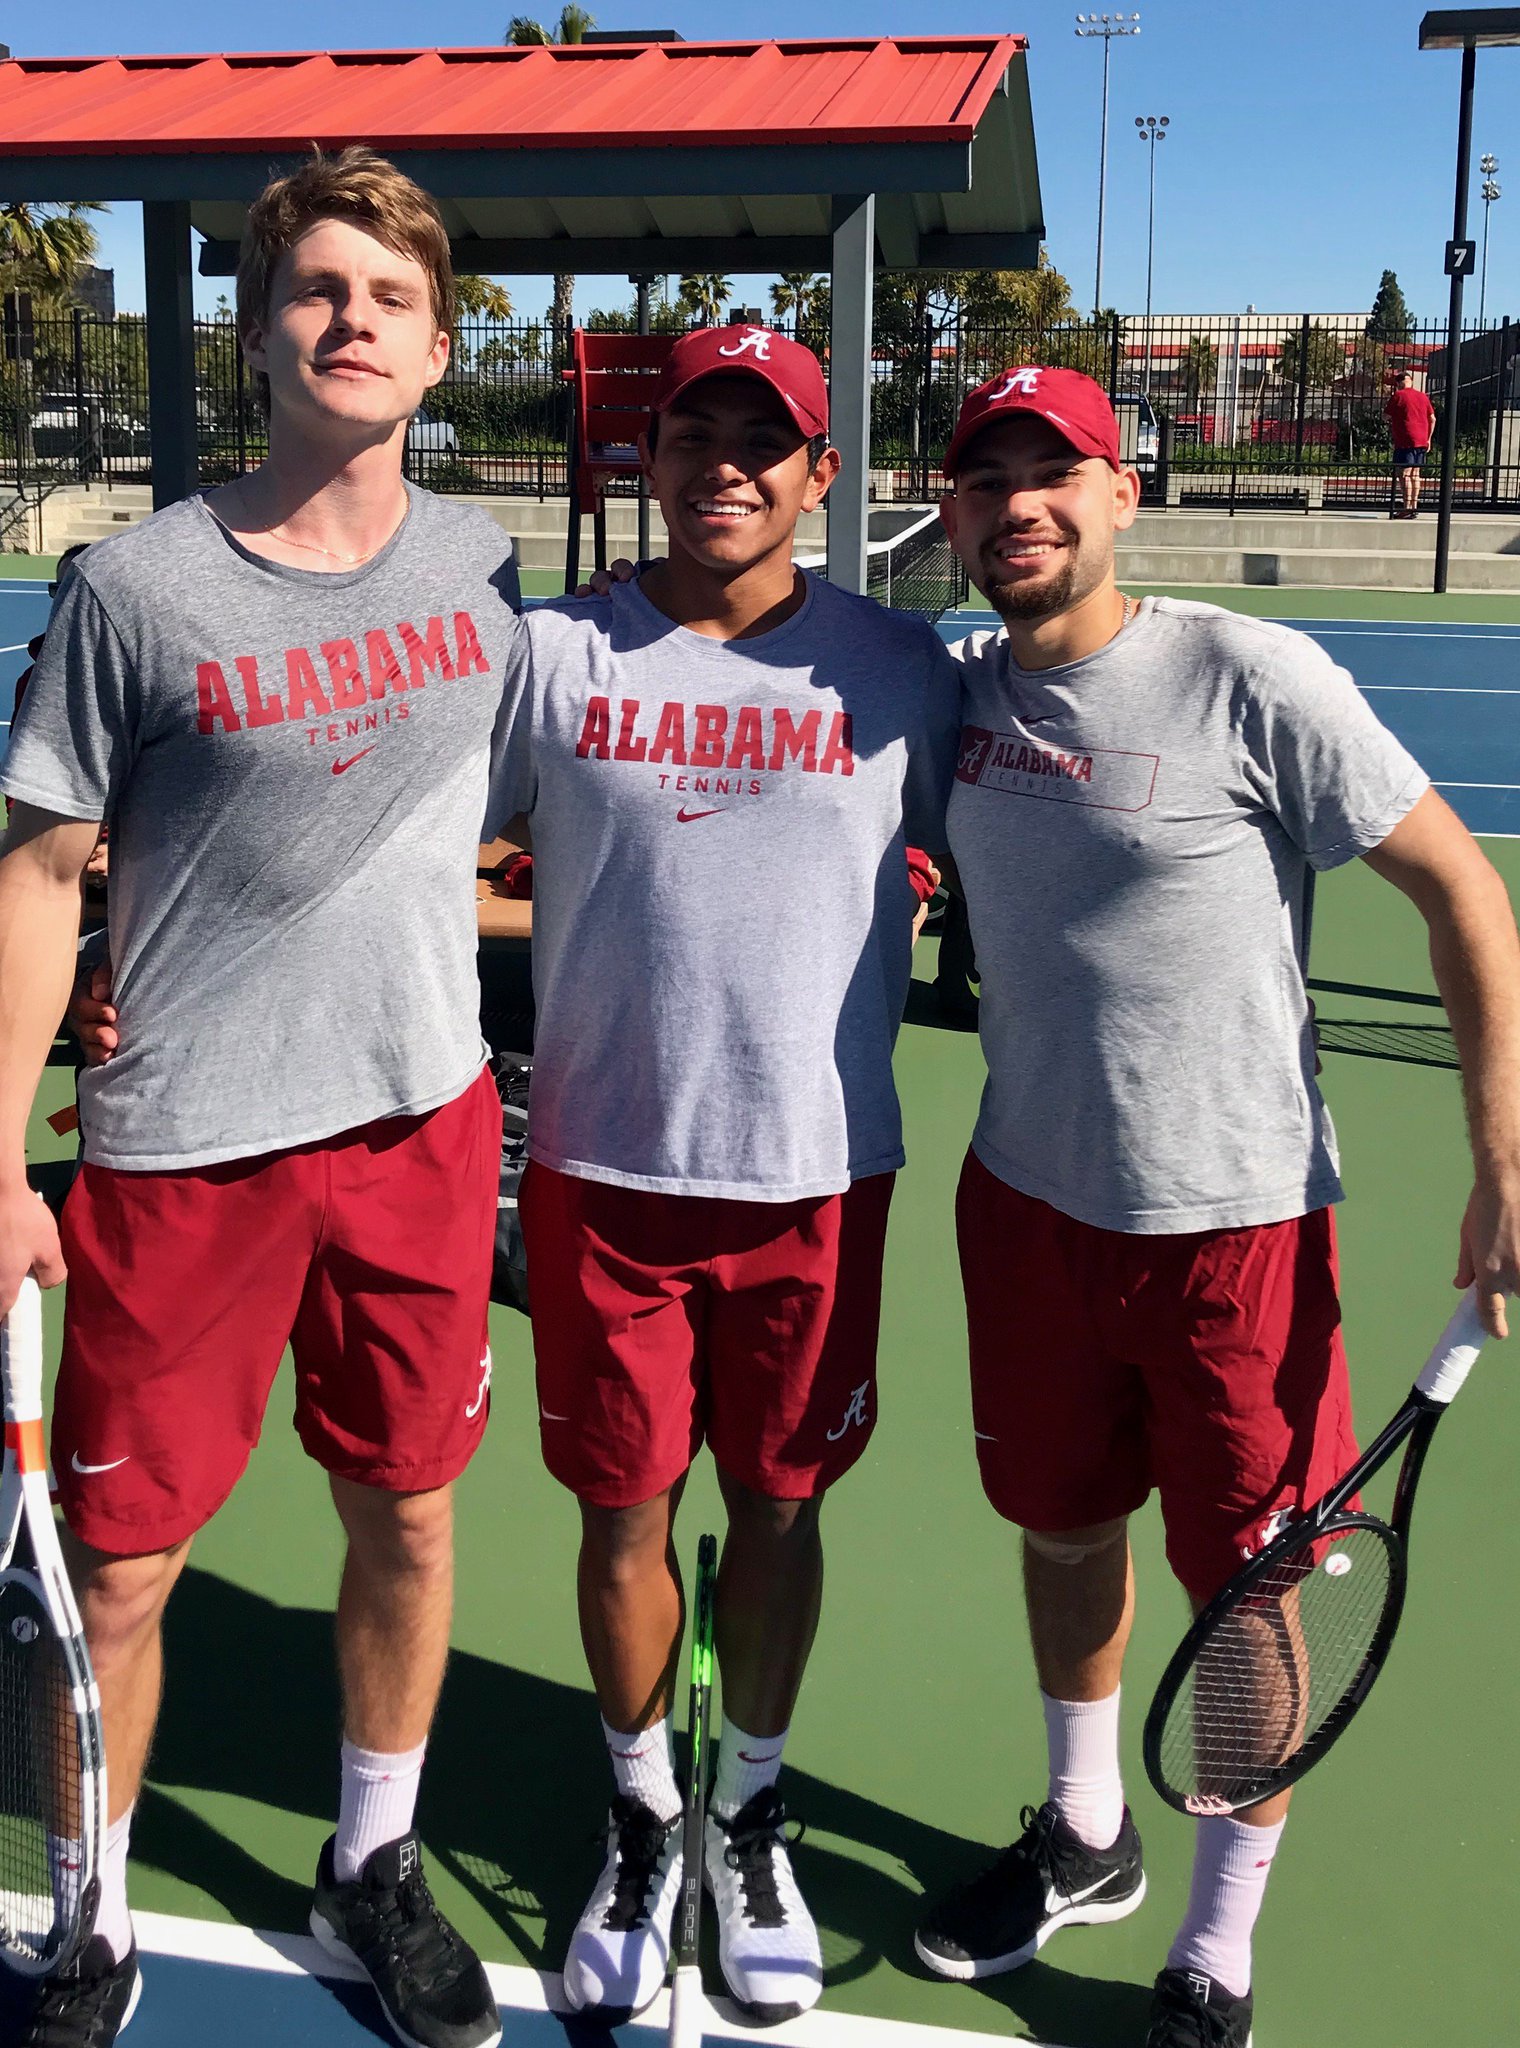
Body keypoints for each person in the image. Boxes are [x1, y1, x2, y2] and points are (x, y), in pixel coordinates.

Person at [912, 365, 1520, 2048]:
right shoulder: (953, 694)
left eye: (1059, 472)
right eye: (987, 479)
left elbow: (1465, 890)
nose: (1021, 504)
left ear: (1125, 493)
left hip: (1237, 1228)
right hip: (1027, 1203)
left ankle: (1215, 1950)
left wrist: (1506, 1154)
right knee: (1060, 1523)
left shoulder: (1252, 676)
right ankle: (1087, 1826)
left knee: (1249, 1595)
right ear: (950, 514)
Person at [0, 148, 519, 2048]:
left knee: (406, 1514)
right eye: (317, 288)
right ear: (258, 329)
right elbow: (43, 875)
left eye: (389, 296)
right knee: (120, 1573)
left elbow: (516, 817)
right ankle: (88, 1914)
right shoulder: (135, 588)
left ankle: (369, 1860)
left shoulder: (485, 564)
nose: (352, 319)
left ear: (439, 344)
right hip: (183, 1151)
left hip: (417, 1129)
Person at [485, 324, 959, 2027]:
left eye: (769, 441)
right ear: (646, 459)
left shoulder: (906, 667)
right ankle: (640, 1811)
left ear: (824, 477)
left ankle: (746, 1803)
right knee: (623, 1513)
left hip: (819, 1175)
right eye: (695, 434)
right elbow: (400, 843)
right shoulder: (551, 655)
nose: (727, 468)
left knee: (779, 1506)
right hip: (606, 1169)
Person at [1384, 369, 1436, 519]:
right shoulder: (1422, 396)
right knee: (1415, 474)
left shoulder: (1398, 395)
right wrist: (1428, 438)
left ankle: (1407, 508)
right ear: (1411, 381)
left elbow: (1386, 416)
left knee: (1404, 474)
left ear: (1399, 383)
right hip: (1421, 440)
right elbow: (1432, 419)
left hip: (1405, 440)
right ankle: (1414, 506)